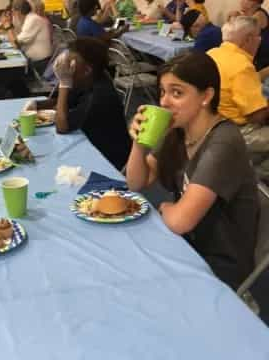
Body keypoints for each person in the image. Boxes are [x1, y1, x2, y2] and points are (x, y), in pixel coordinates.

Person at [126, 51, 259, 290]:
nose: (164, 101)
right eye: (163, 92)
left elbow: (179, 221)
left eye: (177, 93)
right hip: (187, 244)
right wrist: (139, 143)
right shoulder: (179, 130)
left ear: (206, 96)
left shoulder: (224, 142)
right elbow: (137, 182)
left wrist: (165, 207)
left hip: (218, 262)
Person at [27, 37, 131, 170]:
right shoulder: (87, 80)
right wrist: (35, 104)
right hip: (89, 144)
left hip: (108, 160)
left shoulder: (100, 95)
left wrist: (64, 83)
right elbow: (61, 103)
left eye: (70, 65)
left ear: (87, 70)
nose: (66, 68)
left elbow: (62, 126)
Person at [207, 16, 269, 180]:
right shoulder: (241, 66)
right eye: (259, 37)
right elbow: (257, 115)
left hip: (208, 124)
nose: (260, 41)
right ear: (248, 39)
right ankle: (251, 178)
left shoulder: (212, 54)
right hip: (234, 132)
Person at [3, 0, 52, 74]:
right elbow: (17, 38)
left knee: (7, 72)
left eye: (13, 12)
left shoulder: (33, 20)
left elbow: (16, 44)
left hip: (39, 64)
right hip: (33, 61)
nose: (13, 15)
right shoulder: (29, 18)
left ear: (18, 12)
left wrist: (8, 26)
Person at [228, 0, 269, 70]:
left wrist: (233, 20)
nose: (241, 2)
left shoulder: (259, 16)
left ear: (256, 3)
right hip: (252, 58)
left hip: (262, 62)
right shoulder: (247, 14)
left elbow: (239, 40)